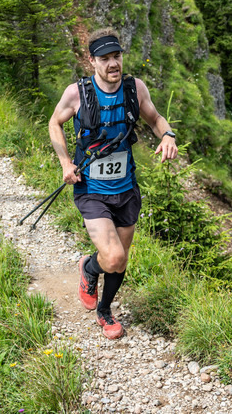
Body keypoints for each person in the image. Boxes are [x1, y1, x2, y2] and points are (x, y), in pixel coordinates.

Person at [48, 28, 179, 339]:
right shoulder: (77, 93)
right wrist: (66, 162)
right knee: (114, 256)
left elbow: (156, 118)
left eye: (116, 56)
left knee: (119, 261)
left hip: (126, 187)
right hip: (92, 189)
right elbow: (55, 122)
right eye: (104, 59)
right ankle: (91, 272)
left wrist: (168, 135)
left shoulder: (135, 89)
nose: (112, 64)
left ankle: (104, 307)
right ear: (92, 61)